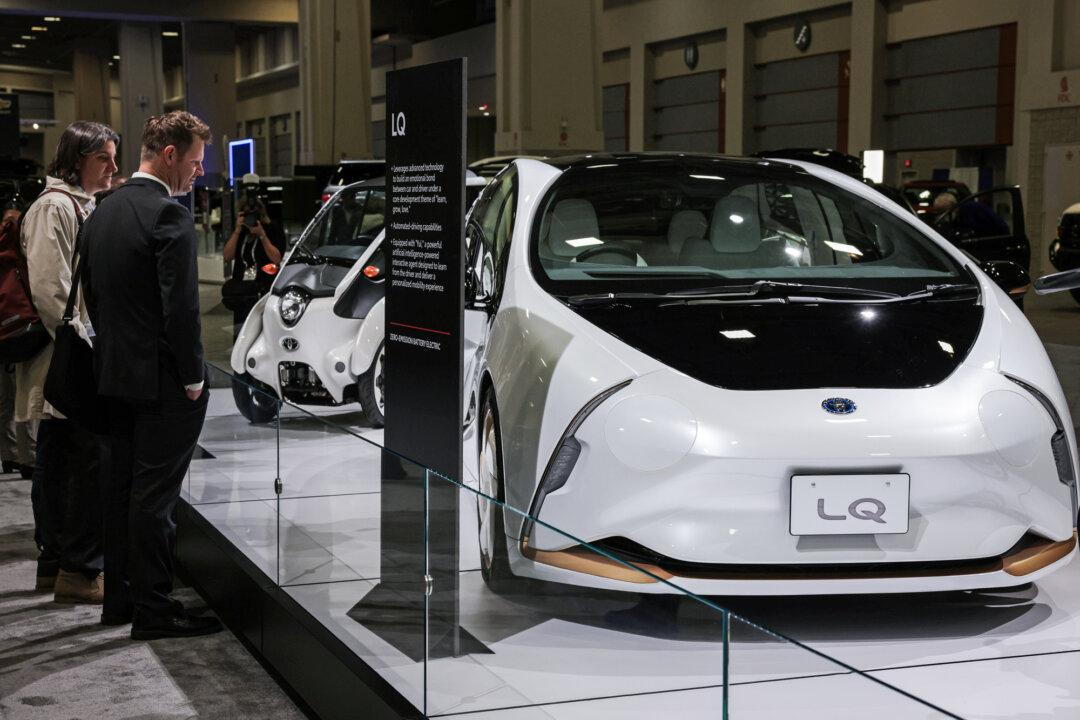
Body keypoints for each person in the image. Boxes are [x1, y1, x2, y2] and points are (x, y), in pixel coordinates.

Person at [81, 110, 221, 639]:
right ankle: (156, 612)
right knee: (155, 502)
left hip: (111, 377)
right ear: (169, 155)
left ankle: (120, 602)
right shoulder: (169, 216)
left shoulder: (102, 210)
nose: (198, 173)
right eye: (195, 161)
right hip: (162, 385)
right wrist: (192, 378)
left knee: (120, 494)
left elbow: (92, 297)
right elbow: (180, 312)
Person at [17, 121, 117, 601]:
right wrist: (88, 346)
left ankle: (57, 564)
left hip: (71, 354)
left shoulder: (78, 205)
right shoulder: (54, 208)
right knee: (78, 462)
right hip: (67, 357)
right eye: (105, 159)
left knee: (60, 460)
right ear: (78, 158)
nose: (114, 168)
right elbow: (51, 290)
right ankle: (76, 569)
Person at [0, 201, 36, 481]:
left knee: (5, 398)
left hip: (2, 332)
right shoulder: (22, 255)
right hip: (21, 331)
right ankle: (28, 458)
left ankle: (8, 454)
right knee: (25, 393)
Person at [222, 194, 284, 333]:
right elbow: (227, 256)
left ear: (260, 213)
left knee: (261, 330)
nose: (250, 218)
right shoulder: (241, 232)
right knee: (241, 331)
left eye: (253, 214)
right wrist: (237, 230)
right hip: (242, 291)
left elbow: (276, 258)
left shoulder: (271, 229)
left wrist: (262, 235)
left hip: (262, 289)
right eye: (246, 214)